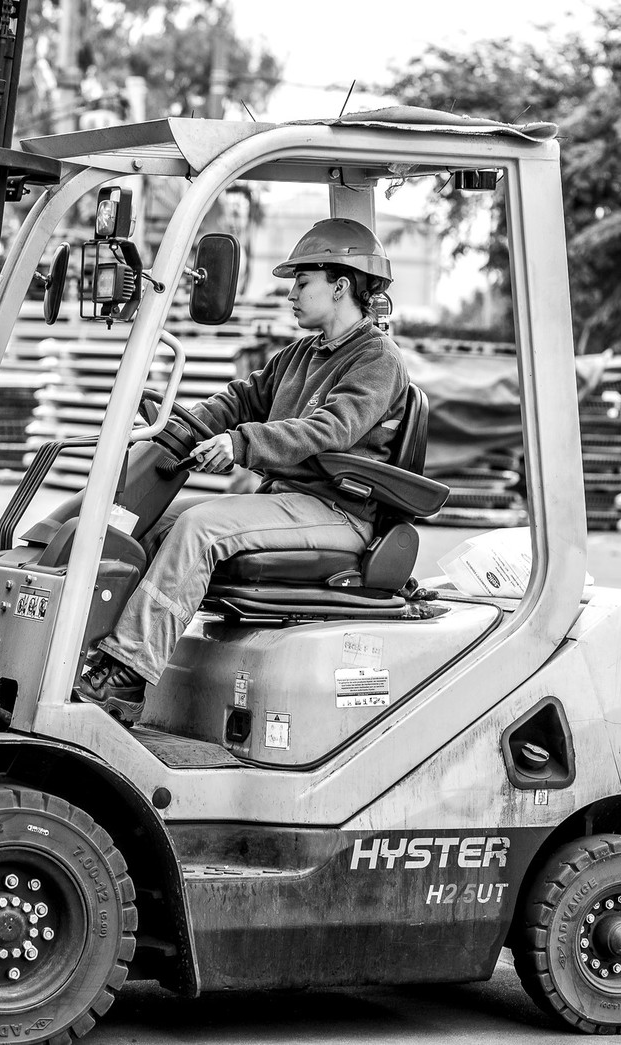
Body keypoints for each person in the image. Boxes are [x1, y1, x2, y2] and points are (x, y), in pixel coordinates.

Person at [76, 217, 411, 725]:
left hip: (338, 510)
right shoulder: (301, 353)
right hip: (285, 501)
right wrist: (176, 423)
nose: (291, 295)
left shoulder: (376, 359)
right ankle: (92, 652)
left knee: (199, 528)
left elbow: (331, 429)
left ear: (340, 285)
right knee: (153, 522)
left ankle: (127, 674)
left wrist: (241, 444)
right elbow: (239, 400)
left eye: (302, 283)